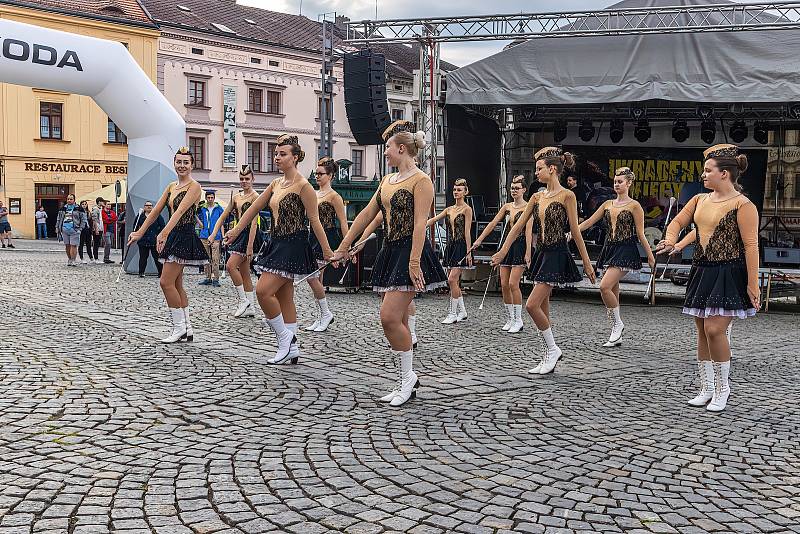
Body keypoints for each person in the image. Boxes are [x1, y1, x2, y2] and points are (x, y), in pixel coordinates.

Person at [332, 120, 447, 407]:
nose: (384, 154)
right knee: (399, 318)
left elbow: (421, 223)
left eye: (387, 149)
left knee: (389, 317)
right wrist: (343, 247)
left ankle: (408, 378)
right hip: (391, 249)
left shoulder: (421, 180)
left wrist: (414, 260)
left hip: (410, 250)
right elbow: (366, 216)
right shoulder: (387, 181)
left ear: (402, 149)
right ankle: (406, 377)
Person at [656, 144, 759, 413]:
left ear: (724, 174)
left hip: (729, 272)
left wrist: (753, 283)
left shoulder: (743, 205)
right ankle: (707, 387)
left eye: (708, 170)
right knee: (702, 331)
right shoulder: (700, 200)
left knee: (715, 329)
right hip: (702, 269)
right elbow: (679, 223)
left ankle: (724, 389)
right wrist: (671, 241)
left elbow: (751, 246)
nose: (703, 175)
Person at [224, 134, 333, 364]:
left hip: (293, 244)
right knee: (285, 297)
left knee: (263, 292)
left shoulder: (304, 186)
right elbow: (254, 208)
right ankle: (291, 348)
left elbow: (315, 221)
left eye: (282, 154)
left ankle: (286, 339)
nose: (277, 157)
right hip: (276, 242)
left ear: (295, 158)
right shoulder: (275, 184)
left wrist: (327, 251)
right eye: (276, 153)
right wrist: (235, 230)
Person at [492, 147, 595, 375]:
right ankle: (547, 354)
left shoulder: (567, 195)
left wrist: (587, 264)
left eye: (539, 169)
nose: (536, 173)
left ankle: (553, 349)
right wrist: (503, 251)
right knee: (543, 308)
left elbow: (576, 232)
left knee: (531, 305)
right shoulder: (537, 197)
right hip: (542, 254)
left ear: (552, 169)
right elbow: (517, 226)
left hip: (557, 253)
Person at [127, 147, 209, 343]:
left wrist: (163, 233)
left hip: (183, 235)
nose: (182, 165)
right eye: (179, 162)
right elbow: (155, 211)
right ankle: (187, 327)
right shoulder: (172, 186)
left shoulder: (194, 186)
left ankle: (179, 327)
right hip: (173, 236)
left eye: (185, 162)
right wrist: (139, 232)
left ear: (192, 165)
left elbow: (180, 212)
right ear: (174, 163)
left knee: (165, 282)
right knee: (177, 284)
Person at [576, 167, 655, 346]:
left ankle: (618, 324)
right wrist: (573, 231)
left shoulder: (635, 206)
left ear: (629, 183)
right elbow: (589, 221)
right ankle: (615, 332)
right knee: (612, 290)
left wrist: (650, 256)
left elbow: (641, 234)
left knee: (604, 287)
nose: (616, 184)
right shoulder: (607, 204)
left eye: (620, 182)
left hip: (625, 249)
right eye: (615, 181)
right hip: (609, 248)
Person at [472, 175, 532, 332]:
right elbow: (493, 224)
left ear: (524, 190)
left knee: (513, 283)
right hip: (506, 246)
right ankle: (510, 317)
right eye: (512, 188)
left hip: (519, 246)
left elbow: (528, 232)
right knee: (504, 284)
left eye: (517, 188)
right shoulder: (507, 207)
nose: (514, 191)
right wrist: (479, 239)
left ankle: (518, 320)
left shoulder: (528, 208)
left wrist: (528, 252)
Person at [210, 165, 263, 317]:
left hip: (249, 235)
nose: (244, 181)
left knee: (230, 266)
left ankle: (242, 300)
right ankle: (251, 307)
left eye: (247, 179)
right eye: (241, 179)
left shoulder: (256, 197)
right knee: (245, 273)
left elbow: (254, 222)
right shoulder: (237, 197)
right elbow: (223, 216)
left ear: (253, 179)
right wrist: (214, 234)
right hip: (238, 234)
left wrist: (250, 245)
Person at [305, 157, 349, 332]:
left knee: (313, 278)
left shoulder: (334, 196)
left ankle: (325, 314)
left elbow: (343, 222)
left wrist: (346, 246)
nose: (317, 176)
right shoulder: (314, 194)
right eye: (316, 173)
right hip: (312, 237)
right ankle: (321, 316)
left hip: (327, 237)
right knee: (316, 280)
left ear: (330, 175)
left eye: (321, 174)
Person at [425, 179, 474, 324]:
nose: (456, 192)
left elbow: (467, 232)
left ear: (465, 192)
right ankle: (463, 312)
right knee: (454, 282)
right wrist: (419, 225)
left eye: (459, 190)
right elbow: (433, 220)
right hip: (451, 246)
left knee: (452, 279)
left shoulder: (467, 209)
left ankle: (452, 313)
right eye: (454, 189)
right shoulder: (448, 209)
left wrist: (469, 252)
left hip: (461, 247)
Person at [198, 190, 224, 287]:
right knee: (206, 258)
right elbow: (201, 223)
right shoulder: (202, 209)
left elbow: (221, 224)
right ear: (206, 198)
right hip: (204, 236)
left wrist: (223, 236)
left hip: (216, 236)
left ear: (214, 198)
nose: (210, 199)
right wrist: (196, 217)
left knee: (215, 258)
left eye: (211, 197)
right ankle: (207, 278)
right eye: (208, 197)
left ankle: (216, 279)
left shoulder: (219, 209)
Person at [133, 200, 165, 278]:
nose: (149, 207)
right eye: (147, 205)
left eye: (150, 205)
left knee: (157, 258)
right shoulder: (140, 216)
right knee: (143, 257)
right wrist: (137, 235)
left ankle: (161, 273)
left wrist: (158, 236)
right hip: (143, 240)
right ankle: (141, 272)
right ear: (144, 207)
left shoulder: (157, 216)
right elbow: (135, 227)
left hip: (154, 240)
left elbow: (162, 227)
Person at [56, 194, 87, 266]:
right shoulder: (63, 208)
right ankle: (69, 259)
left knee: (74, 245)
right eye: (68, 199)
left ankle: (73, 259)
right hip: (65, 229)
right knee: (67, 245)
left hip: (75, 229)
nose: (69, 200)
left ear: (74, 200)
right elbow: (59, 218)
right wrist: (57, 227)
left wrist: (80, 228)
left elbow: (83, 219)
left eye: (71, 199)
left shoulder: (79, 208)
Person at [90, 198, 105, 263]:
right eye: (102, 202)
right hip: (97, 228)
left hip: (100, 227)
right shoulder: (96, 209)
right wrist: (96, 229)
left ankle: (96, 258)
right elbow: (94, 219)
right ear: (99, 202)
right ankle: (96, 258)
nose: (103, 203)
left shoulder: (100, 209)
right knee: (96, 243)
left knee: (97, 243)